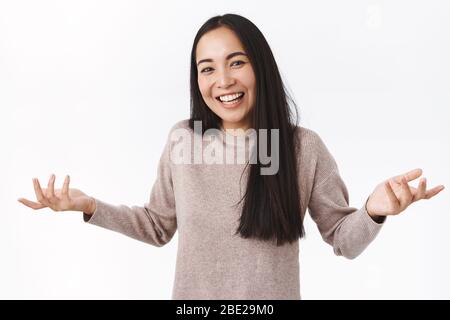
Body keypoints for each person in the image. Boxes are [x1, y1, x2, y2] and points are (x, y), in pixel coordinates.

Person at [18, 14, 445, 300]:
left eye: (236, 62)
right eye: (207, 68)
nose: (222, 80)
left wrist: (373, 210)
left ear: (260, 67)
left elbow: (343, 240)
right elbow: (156, 226)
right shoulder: (183, 140)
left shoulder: (301, 148)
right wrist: (88, 206)